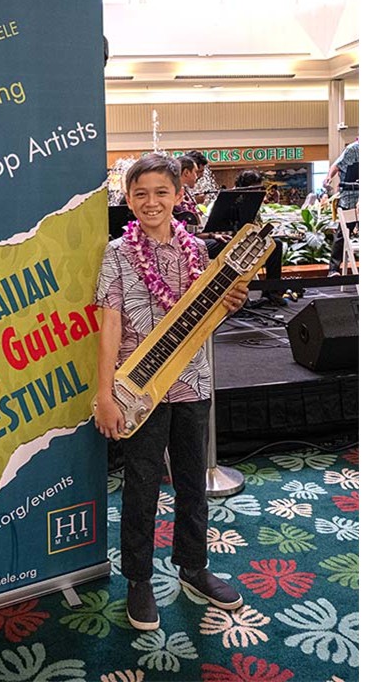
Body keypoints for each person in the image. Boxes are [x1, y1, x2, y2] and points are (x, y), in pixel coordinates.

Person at [94, 153, 248, 631]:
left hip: (193, 383)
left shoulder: (198, 251)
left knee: (192, 483)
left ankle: (193, 567)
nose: (151, 202)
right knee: (141, 486)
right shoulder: (117, 254)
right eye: (140, 193)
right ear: (128, 199)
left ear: (179, 196)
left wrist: (232, 302)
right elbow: (109, 325)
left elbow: (209, 313)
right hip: (139, 389)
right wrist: (105, 395)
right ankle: (139, 580)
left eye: (162, 192)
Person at [235, 170, 286, 306]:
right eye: (256, 188)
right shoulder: (235, 201)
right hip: (236, 241)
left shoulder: (255, 203)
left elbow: (257, 225)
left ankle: (272, 293)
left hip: (253, 240)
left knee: (276, 245)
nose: (259, 192)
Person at [174, 154, 230, 257]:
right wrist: (211, 235)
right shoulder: (174, 195)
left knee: (226, 241)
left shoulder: (184, 193)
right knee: (225, 245)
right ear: (186, 172)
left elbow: (191, 230)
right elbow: (184, 231)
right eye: (195, 172)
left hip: (190, 240)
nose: (197, 177)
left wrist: (212, 235)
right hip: (182, 245)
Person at [324, 138, 359, 276]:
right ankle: (333, 270)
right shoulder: (353, 149)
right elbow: (337, 165)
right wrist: (329, 177)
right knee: (342, 234)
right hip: (350, 197)